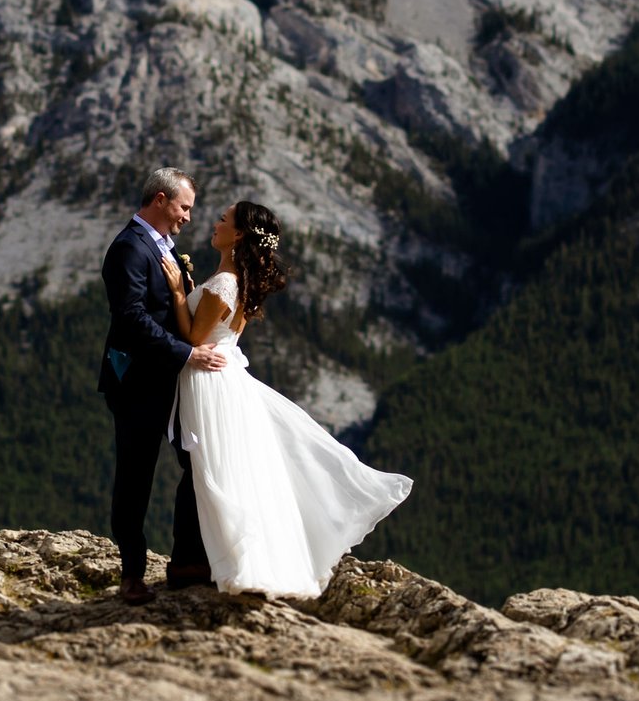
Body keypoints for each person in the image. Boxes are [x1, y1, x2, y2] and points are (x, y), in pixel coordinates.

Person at [170, 198, 411, 598]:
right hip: (223, 375)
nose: (214, 223)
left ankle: (201, 561)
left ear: (240, 234)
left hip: (208, 381)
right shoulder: (234, 281)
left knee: (206, 469)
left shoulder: (226, 282)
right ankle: (207, 558)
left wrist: (179, 294)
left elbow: (194, 339)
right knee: (214, 468)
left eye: (223, 220)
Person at [97, 167, 230, 604]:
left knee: (197, 466)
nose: (188, 217)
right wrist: (188, 354)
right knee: (136, 477)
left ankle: (189, 559)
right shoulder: (128, 249)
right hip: (138, 383)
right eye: (184, 207)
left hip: (175, 385)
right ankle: (132, 573)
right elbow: (131, 319)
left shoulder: (165, 250)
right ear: (159, 199)